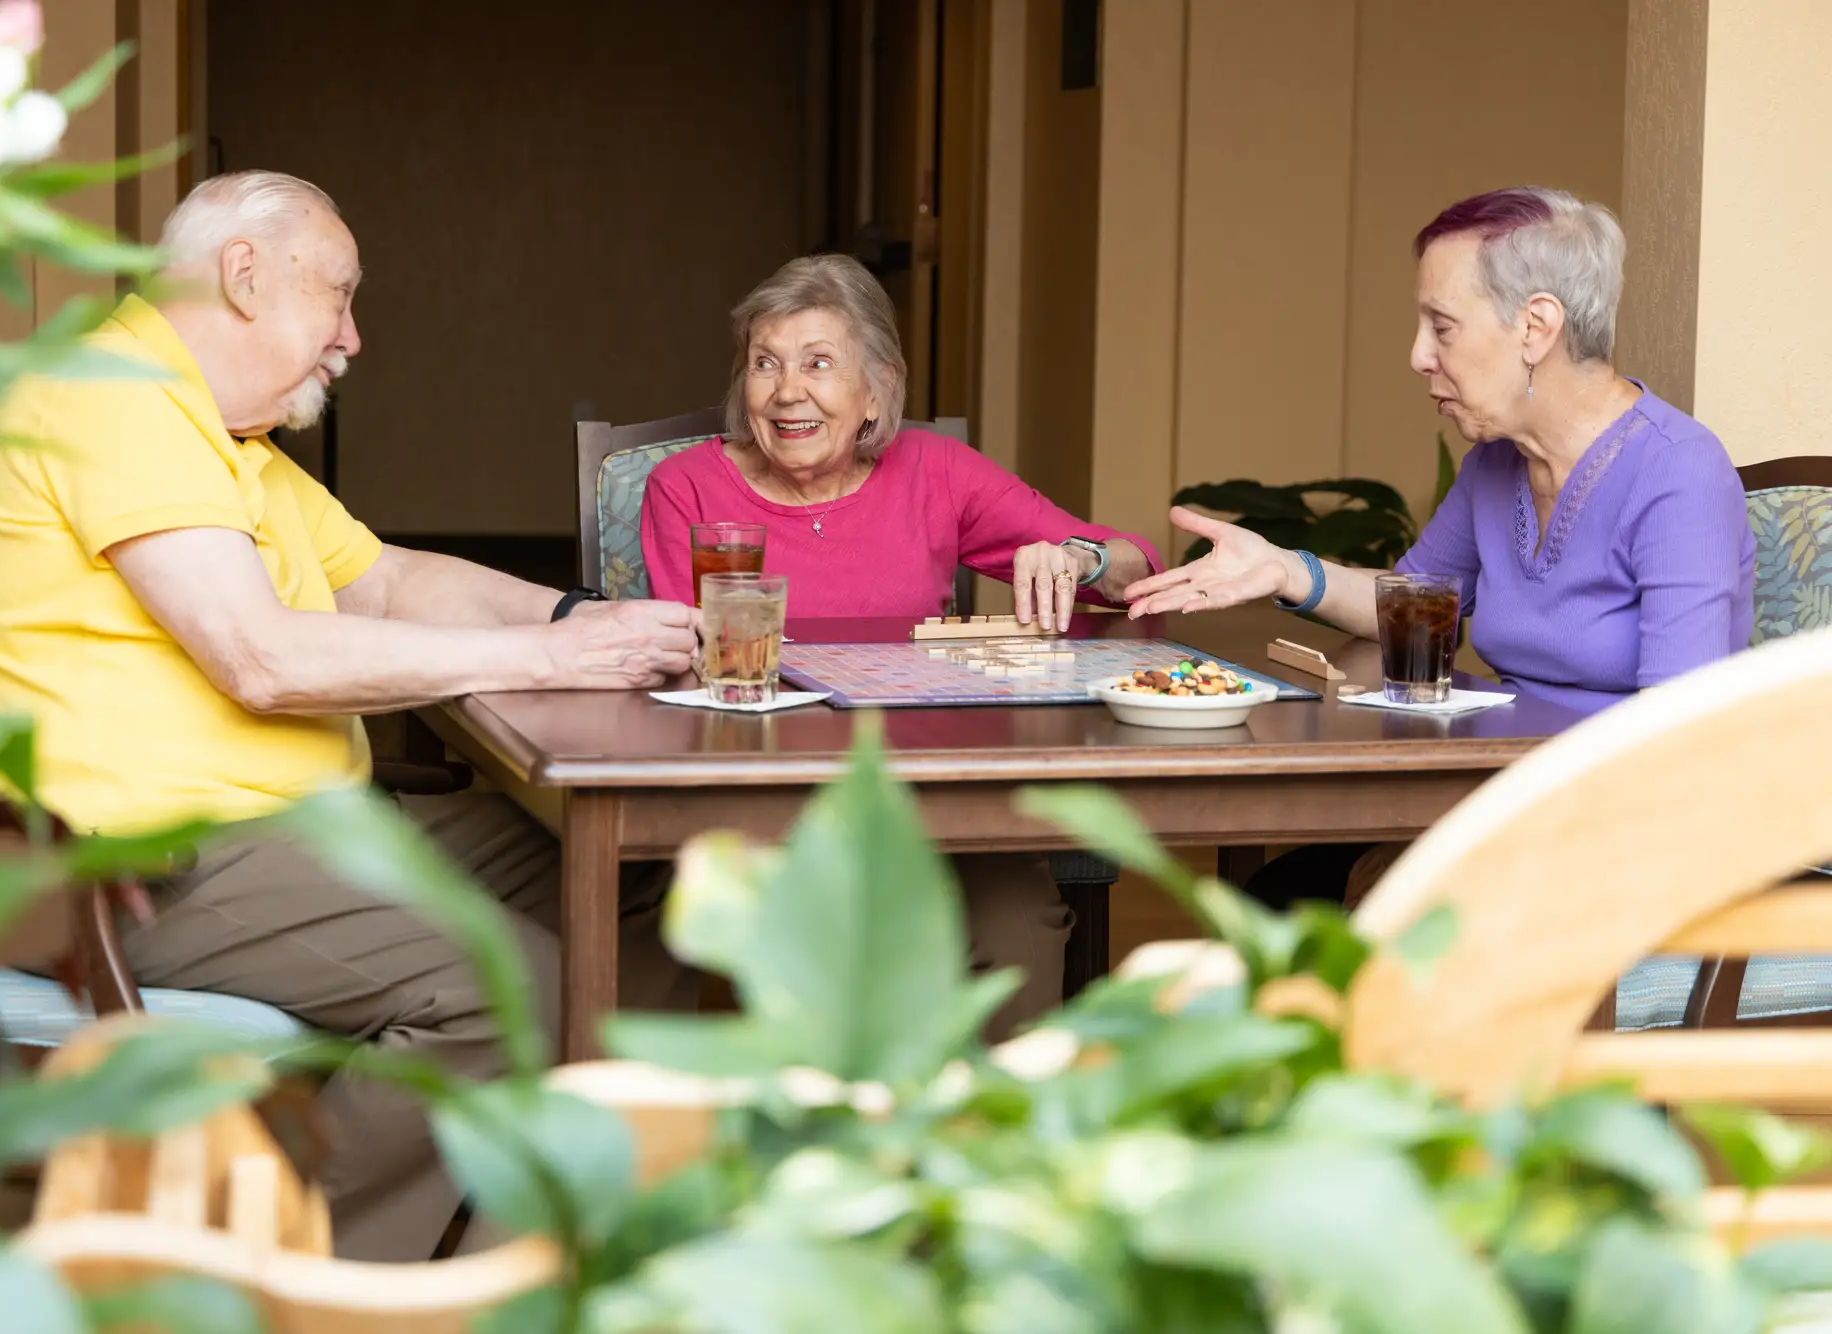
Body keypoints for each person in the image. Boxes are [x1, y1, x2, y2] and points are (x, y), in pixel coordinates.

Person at [0, 171, 702, 1263]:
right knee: (514, 990)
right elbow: (256, 656)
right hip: (141, 858)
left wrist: (583, 613)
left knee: (648, 884)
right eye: (337, 295)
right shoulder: (107, 393)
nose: (351, 336)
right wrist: (546, 654)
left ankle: (497, 1258)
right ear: (244, 276)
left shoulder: (221, 438)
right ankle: (284, 1279)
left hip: (299, 825)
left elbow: (387, 581)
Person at [1123, 186, 1753, 906]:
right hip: (1490, 804)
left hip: (1614, 843)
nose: (1418, 356)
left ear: (1535, 327)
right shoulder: (1498, 463)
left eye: (1442, 327)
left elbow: (1680, 738)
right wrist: (1285, 570)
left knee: (1342, 918)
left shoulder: (1678, 473)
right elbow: (1414, 602)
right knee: (1273, 901)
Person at [640, 253, 1165, 1030]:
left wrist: (1076, 557)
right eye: (765, 364)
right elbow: (676, 657)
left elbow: (1135, 566)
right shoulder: (688, 488)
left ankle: (991, 1140)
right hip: (753, 797)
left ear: (878, 386)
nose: (788, 392)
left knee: (1017, 923)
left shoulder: (936, 473)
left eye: (819, 363)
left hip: (932, 799)